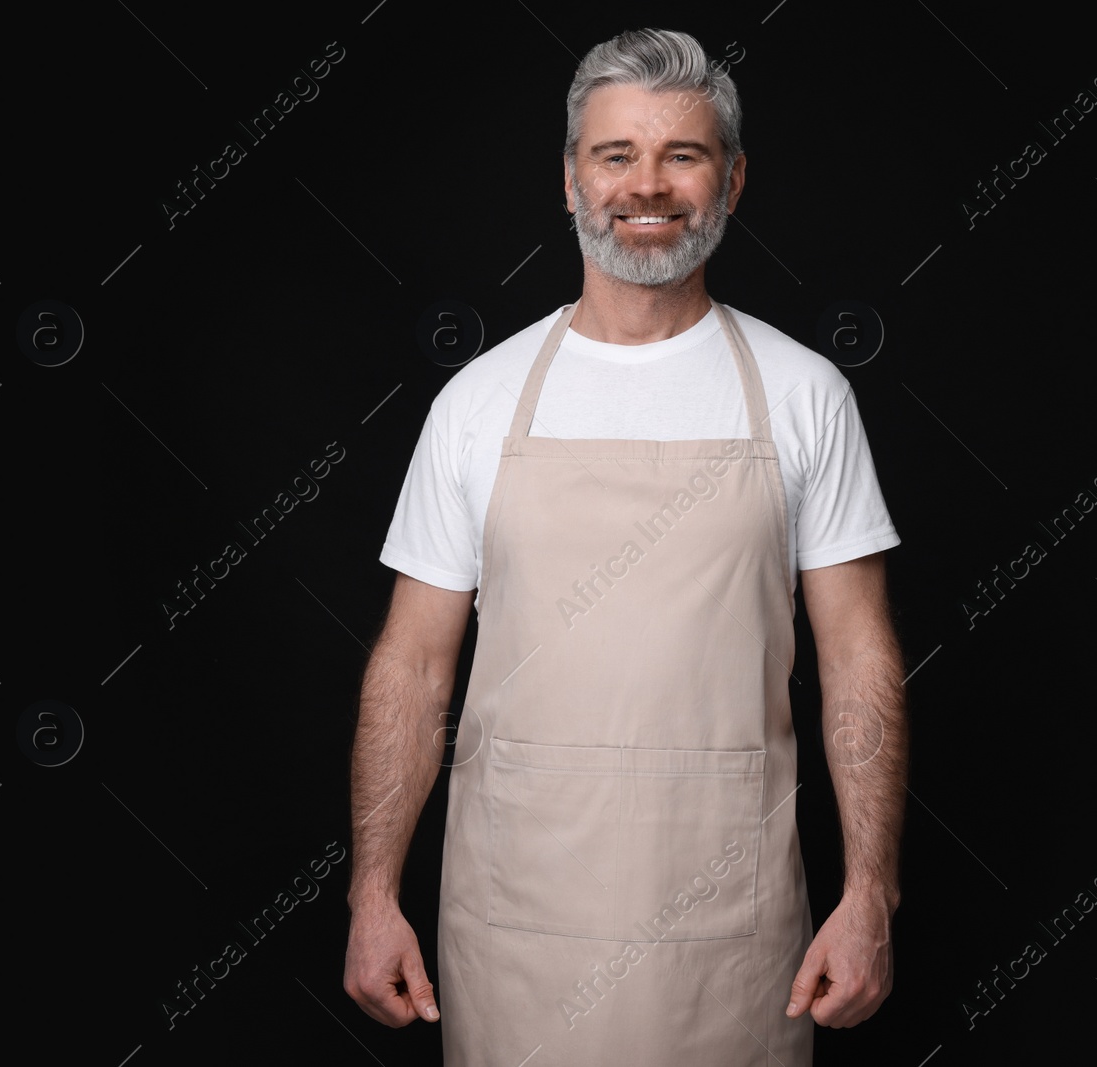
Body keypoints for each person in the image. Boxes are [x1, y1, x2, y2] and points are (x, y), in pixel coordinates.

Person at [344, 27, 907, 1066]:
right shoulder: (476, 403)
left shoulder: (805, 396)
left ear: (732, 181)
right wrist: (373, 892)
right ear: (569, 181)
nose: (647, 186)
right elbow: (414, 663)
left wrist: (869, 894)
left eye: (682, 156)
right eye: (616, 156)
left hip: (730, 937)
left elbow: (858, 659)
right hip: (517, 931)